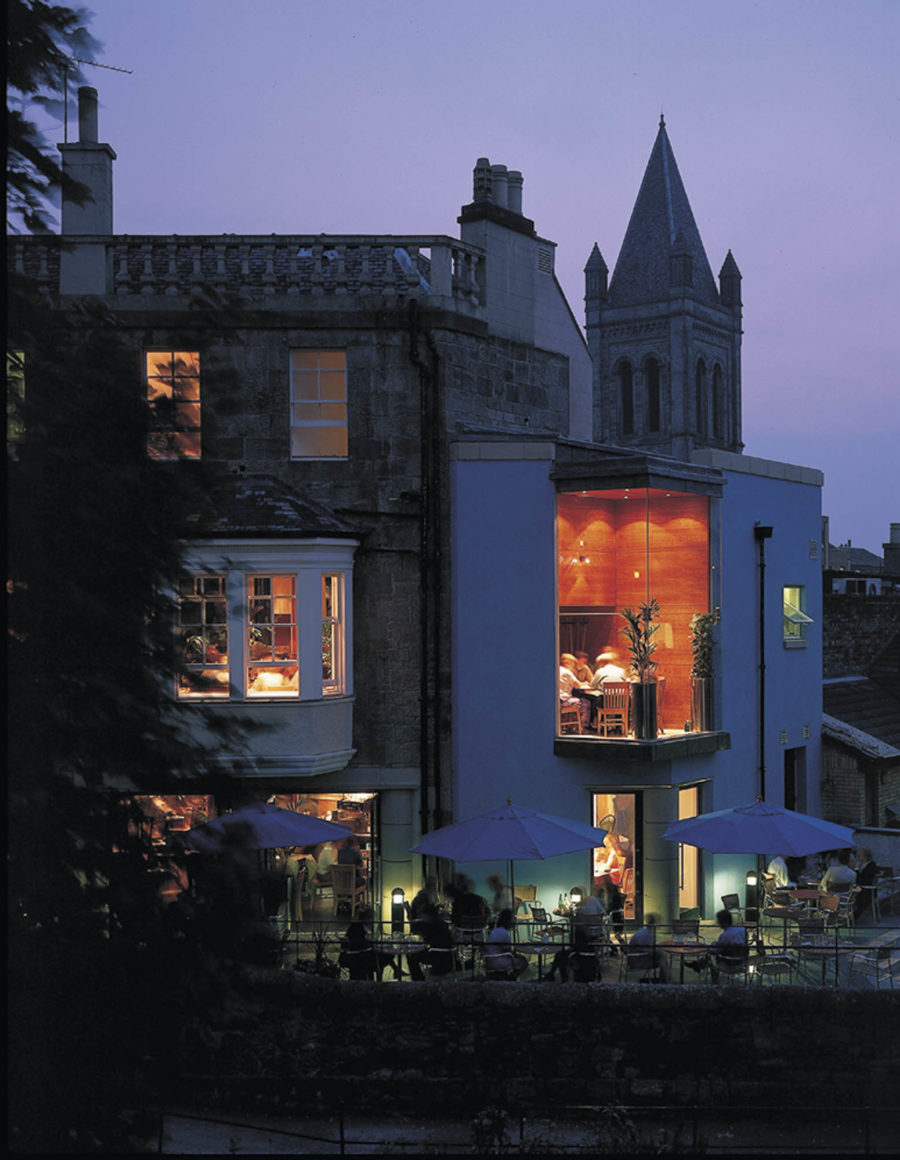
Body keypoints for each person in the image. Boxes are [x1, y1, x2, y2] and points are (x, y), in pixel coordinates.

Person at [687, 909, 747, 982]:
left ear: (724, 922)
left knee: (710, 955)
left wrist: (710, 947)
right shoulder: (742, 930)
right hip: (741, 962)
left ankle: (713, 981)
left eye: (719, 921)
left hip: (727, 964)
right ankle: (698, 964)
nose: (718, 924)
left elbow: (716, 950)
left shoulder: (725, 935)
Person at [407, 904, 455, 980]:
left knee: (412, 957)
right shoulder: (442, 924)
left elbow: (414, 929)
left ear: (427, 915)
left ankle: (418, 980)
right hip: (448, 957)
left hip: (435, 956)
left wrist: (408, 911)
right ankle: (419, 980)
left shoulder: (428, 926)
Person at [484, 908, 528, 979]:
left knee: (519, 957)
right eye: (513, 918)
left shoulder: (496, 930)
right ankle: (511, 978)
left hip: (489, 960)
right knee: (523, 961)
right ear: (508, 920)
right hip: (497, 961)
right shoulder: (504, 933)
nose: (514, 920)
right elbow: (508, 951)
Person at [627, 913, 670, 982]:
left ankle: (664, 979)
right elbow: (641, 948)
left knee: (662, 956)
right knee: (663, 957)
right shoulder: (645, 934)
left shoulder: (644, 932)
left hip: (636, 958)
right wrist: (656, 950)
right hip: (637, 960)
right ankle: (664, 980)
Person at [559, 653, 590, 731]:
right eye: (572, 663)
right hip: (563, 700)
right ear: (566, 663)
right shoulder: (567, 672)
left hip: (557, 700)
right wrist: (585, 683)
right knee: (585, 703)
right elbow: (578, 685)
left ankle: (567, 726)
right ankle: (581, 727)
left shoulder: (557, 669)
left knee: (574, 700)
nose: (574, 665)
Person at [594, 873, 626, 945]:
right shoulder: (598, 889)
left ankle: (617, 934)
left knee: (616, 915)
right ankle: (605, 937)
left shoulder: (613, 888)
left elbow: (616, 902)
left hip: (612, 909)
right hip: (602, 909)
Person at [853, 848, 879, 920]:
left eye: (860, 856)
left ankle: (853, 917)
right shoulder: (867, 864)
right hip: (865, 889)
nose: (859, 858)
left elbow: (861, 879)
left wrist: (857, 869)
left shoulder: (870, 866)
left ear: (864, 856)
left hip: (867, 891)